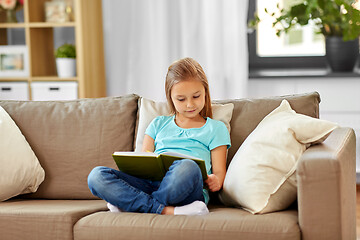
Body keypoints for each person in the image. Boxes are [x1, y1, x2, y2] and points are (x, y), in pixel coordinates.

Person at [87, 57, 231, 215]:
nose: (190, 104)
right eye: (181, 99)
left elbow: (219, 174)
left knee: (187, 166)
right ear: (171, 98)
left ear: (205, 93)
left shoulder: (216, 128)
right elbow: (144, 162)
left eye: (196, 96)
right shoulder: (158, 124)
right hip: (150, 184)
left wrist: (215, 181)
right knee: (96, 176)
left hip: (186, 185)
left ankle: (132, 203)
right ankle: (166, 210)